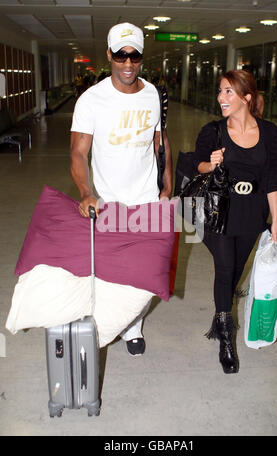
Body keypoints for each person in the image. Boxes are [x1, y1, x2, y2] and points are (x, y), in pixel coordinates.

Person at [70, 23, 172, 356]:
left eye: (135, 56)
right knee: (112, 272)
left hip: (146, 199)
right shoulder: (92, 99)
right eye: (120, 55)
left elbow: (161, 141)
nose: (128, 64)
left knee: (145, 272)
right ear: (109, 55)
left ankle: (133, 328)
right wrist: (86, 191)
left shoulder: (153, 93)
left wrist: (167, 186)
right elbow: (78, 152)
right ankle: (111, 322)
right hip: (109, 202)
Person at [194, 70, 277, 374]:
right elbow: (197, 164)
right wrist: (211, 163)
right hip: (219, 212)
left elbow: (271, 177)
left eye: (228, 92)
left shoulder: (269, 133)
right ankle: (226, 337)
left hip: (252, 212)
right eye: (220, 92)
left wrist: (276, 222)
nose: (221, 98)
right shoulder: (213, 131)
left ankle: (220, 314)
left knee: (234, 274)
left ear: (247, 97)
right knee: (225, 268)